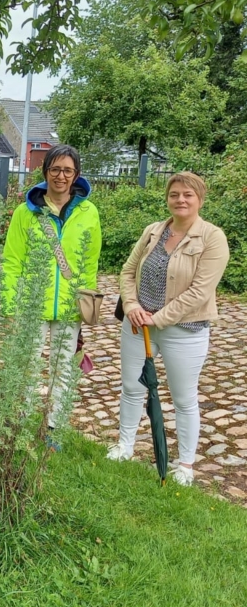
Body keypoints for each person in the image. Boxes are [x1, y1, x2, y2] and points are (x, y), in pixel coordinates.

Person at [107, 172, 229, 486]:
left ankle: (184, 465)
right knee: (133, 389)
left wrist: (157, 318)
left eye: (188, 194)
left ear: (200, 198)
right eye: (174, 194)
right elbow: (128, 270)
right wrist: (132, 306)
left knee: (183, 398)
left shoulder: (212, 238)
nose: (181, 200)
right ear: (167, 198)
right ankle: (125, 445)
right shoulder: (153, 232)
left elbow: (200, 292)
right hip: (138, 325)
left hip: (185, 331)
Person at [2, 144, 102, 437]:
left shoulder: (88, 212)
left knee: (63, 369)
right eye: (55, 169)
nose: (61, 176)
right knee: (26, 366)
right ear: (45, 171)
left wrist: (86, 300)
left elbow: (90, 260)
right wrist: (10, 305)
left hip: (69, 306)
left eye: (67, 170)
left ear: (76, 175)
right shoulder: (26, 212)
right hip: (31, 304)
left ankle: (54, 428)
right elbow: (11, 260)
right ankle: (19, 423)